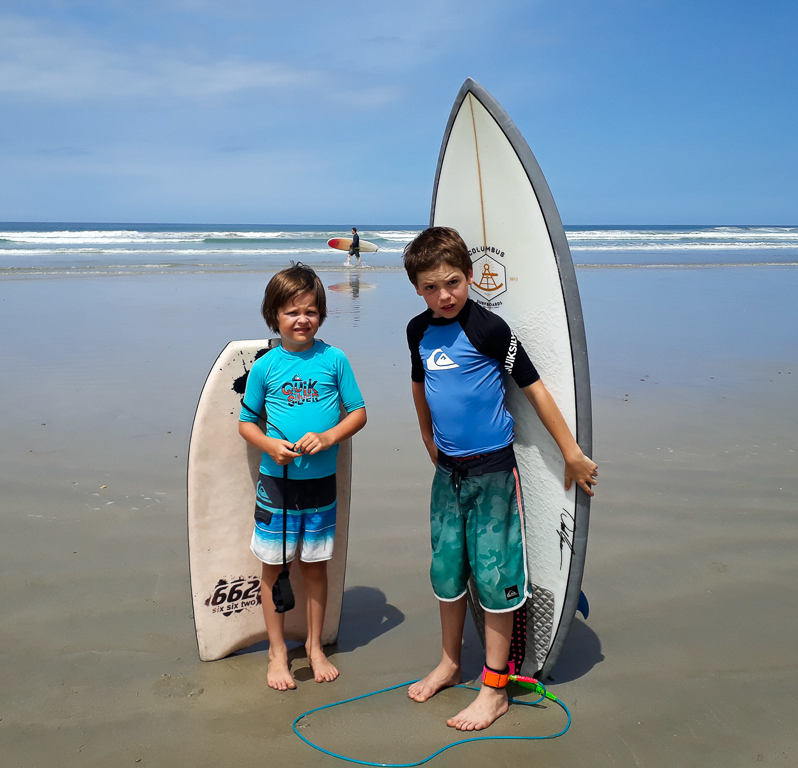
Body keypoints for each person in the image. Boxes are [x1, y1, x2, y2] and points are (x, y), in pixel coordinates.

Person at [402, 227, 597, 730]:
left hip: (491, 473)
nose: (443, 295)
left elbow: (535, 390)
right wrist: (427, 439)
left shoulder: (491, 329)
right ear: (417, 289)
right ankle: (449, 663)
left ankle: (494, 688)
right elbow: (421, 388)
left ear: (470, 276)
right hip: (448, 474)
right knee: (446, 572)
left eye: (451, 282)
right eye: (430, 287)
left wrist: (571, 453)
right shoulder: (417, 331)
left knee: (494, 578)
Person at [238, 263, 368, 691]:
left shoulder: (334, 360)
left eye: (311, 311)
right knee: (273, 568)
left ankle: (313, 646)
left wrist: (330, 436)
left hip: (319, 485)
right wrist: (270, 446)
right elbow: (246, 422)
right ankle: (277, 652)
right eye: (292, 311)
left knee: (315, 568)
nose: (302, 320)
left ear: (322, 315)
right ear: (274, 315)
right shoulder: (265, 366)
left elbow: (359, 413)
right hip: (276, 483)